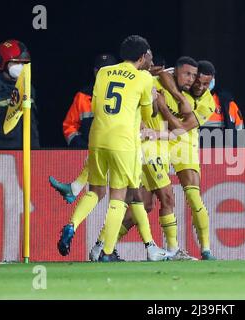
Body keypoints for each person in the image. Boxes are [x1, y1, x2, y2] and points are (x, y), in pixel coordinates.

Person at [57, 35, 166, 262]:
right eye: (150, 56)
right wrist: (153, 98)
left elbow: (96, 106)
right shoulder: (144, 78)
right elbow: (149, 116)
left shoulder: (104, 72)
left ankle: (71, 225)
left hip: (97, 138)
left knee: (95, 190)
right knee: (120, 196)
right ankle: (106, 251)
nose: (151, 60)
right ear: (143, 56)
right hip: (123, 142)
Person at [156, 60, 218, 260]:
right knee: (149, 200)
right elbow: (163, 73)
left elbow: (181, 129)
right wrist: (178, 96)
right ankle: (173, 249)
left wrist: (165, 108)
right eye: (197, 81)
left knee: (193, 196)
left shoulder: (208, 103)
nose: (199, 87)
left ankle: (206, 249)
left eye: (205, 84)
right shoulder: (181, 81)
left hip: (184, 143)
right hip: (161, 142)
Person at [0, 39, 40, 149]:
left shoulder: (28, 88)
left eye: (23, 63)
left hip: (30, 154)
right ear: (2, 63)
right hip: (2, 157)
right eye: (16, 62)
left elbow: (33, 124)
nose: (21, 66)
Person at [63, 54, 117, 148]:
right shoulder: (82, 96)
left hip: (116, 151)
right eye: (101, 71)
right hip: (87, 155)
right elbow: (69, 126)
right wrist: (82, 147)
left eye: (109, 71)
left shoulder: (126, 95)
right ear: (95, 71)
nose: (106, 74)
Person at [201, 82, 245, 147]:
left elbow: (240, 133)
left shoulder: (228, 103)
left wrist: (237, 153)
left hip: (225, 154)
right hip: (197, 153)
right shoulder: (189, 103)